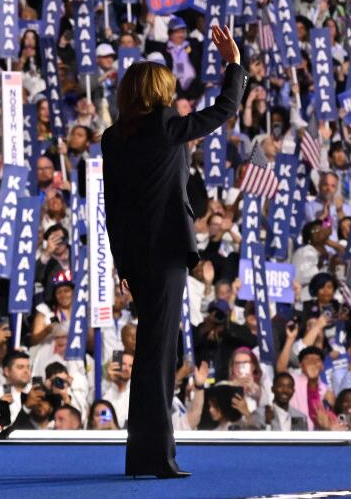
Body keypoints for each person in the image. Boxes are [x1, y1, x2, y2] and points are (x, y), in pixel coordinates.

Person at [102, 24, 246, 478]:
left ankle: (144, 455)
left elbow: (114, 206)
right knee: (156, 355)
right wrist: (234, 65)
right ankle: (155, 458)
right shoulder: (165, 126)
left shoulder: (113, 137)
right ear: (159, 92)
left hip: (138, 258)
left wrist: (121, 263)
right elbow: (224, 108)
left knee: (158, 352)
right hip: (164, 255)